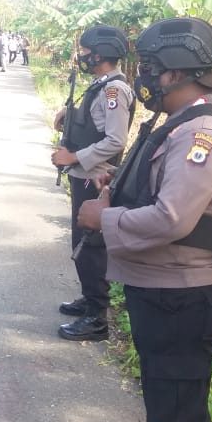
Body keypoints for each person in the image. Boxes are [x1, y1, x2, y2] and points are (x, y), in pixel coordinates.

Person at [77, 17, 212, 422]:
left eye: (150, 69)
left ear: (175, 73)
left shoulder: (204, 132)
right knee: (173, 416)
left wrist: (104, 219)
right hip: (168, 294)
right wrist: (120, 184)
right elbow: (168, 188)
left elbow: (172, 218)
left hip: (181, 300)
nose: (143, 78)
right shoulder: (183, 121)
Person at [50, 25, 134, 341]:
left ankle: (97, 318)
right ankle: (89, 298)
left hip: (94, 177)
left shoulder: (115, 91)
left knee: (91, 246)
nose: (82, 57)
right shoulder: (101, 86)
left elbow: (115, 140)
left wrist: (73, 157)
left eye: (86, 52)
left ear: (100, 54)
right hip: (83, 174)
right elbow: (94, 124)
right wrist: (69, 115)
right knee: (81, 243)